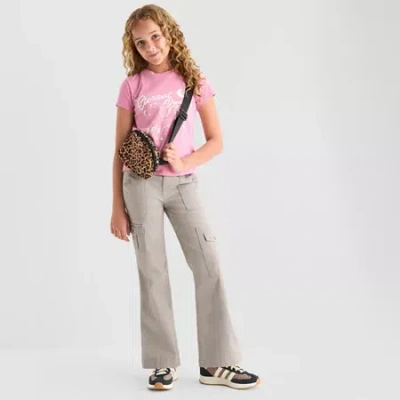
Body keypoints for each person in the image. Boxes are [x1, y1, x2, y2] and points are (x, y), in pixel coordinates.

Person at [110, 4, 261, 391]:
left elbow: (216, 141)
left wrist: (185, 161)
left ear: (169, 33)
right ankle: (163, 363)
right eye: (140, 43)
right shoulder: (132, 86)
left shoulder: (194, 80)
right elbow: (120, 150)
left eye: (155, 37)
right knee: (153, 273)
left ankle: (216, 363)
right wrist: (116, 208)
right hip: (139, 186)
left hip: (183, 185)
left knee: (208, 265)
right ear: (133, 47)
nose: (150, 47)